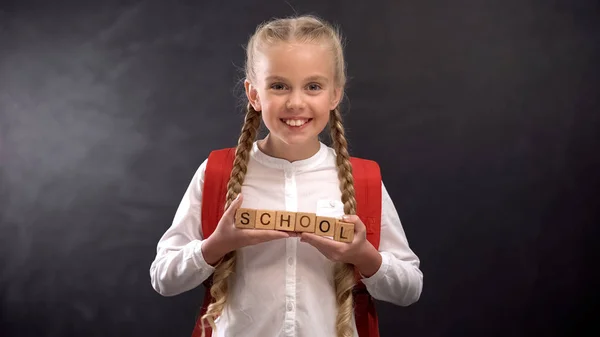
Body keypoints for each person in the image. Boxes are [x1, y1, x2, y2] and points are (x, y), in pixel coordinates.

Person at [149, 14, 423, 337]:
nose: (296, 102)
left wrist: (365, 257)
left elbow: (410, 288)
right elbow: (163, 277)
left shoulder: (363, 180)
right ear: (254, 94)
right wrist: (214, 246)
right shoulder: (216, 173)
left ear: (335, 93)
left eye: (313, 86)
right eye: (278, 86)